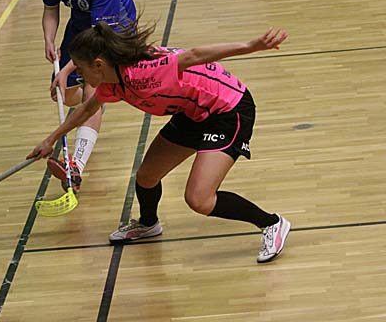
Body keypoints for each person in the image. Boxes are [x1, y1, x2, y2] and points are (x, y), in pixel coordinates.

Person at [28, 20, 291, 263]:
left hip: (227, 110)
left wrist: (251, 46)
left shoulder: (144, 71)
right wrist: (50, 140)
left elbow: (194, 54)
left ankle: (272, 223)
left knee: (199, 199)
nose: (80, 75)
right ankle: (148, 224)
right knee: (146, 177)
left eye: (80, 68)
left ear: (98, 65)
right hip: (192, 112)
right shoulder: (112, 82)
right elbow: (87, 109)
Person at [41, 0, 136, 193]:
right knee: (62, 94)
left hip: (113, 32)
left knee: (92, 90)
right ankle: (94, 107)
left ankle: (76, 167)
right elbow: (50, 9)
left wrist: (67, 69)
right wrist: (49, 39)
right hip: (81, 27)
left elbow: (97, 42)